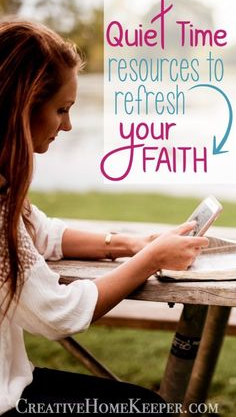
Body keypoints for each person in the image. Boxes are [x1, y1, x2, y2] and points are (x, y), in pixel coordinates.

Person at [0, 20, 209, 416]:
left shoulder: (4, 189)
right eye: (61, 109)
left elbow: (42, 233)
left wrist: (132, 245)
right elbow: (56, 313)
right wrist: (150, 261)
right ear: (20, 107)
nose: (68, 125)